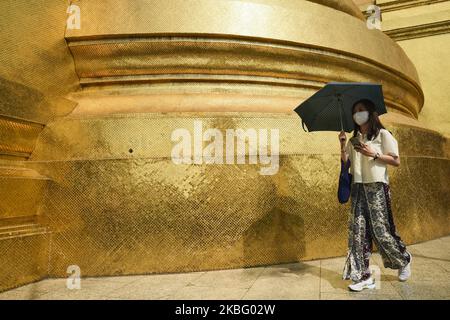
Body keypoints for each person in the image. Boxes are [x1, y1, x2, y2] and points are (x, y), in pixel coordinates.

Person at [338, 98, 412, 292]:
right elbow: (346, 162)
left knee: (380, 230)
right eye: (355, 111)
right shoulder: (355, 139)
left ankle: (403, 259)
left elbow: (396, 161)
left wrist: (375, 154)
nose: (357, 114)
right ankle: (363, 276)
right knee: (358, 233)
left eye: (361, 110)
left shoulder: (383, 135)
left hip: (377, 186)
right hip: (358, 187)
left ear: (370, 113)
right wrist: (342, 143)